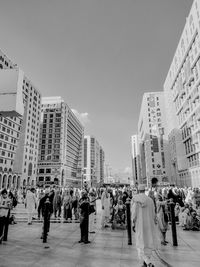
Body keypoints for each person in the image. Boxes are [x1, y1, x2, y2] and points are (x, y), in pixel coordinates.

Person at [132, 184, 157, 267]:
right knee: (148, 241)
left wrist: (133, 222)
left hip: (140, 223)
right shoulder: (150, 200)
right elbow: (154, 213)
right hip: (149, 223)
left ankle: (148, 262)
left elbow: (134, 213)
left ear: (138, 190)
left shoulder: (136, 199)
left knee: (140, 242)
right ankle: (145, 262)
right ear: (144, 190)